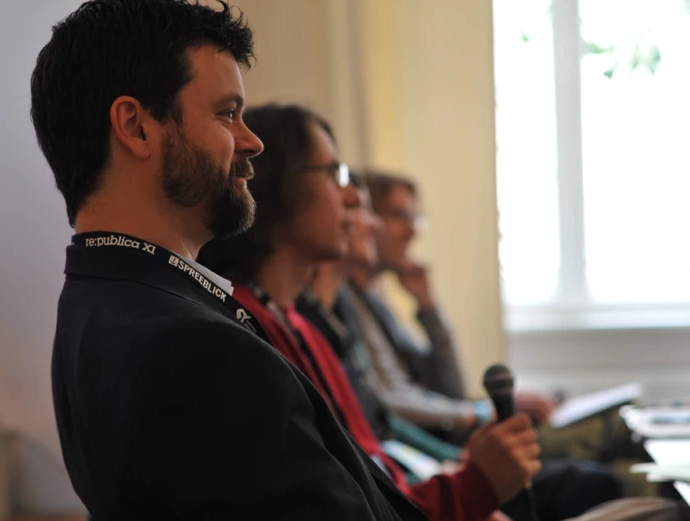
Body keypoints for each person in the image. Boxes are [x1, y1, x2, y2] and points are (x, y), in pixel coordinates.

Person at [32, 2, 437, 519]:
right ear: (135, 127)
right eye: (227, 113)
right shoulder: (197, 350)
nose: (252, 141)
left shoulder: (98, 297)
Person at [198, 103, 544, 521]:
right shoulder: (250, 338)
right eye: (333, 174)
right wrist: (474, 485)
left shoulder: (300, 328)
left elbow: (378, 477)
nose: (352, 199)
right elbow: (357, 508)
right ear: (279, 191)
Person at [298, 176, 624, 521]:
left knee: (604, 454)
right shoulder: (334, 310)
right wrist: (471, 429)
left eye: (414, 217)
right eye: (397, 215)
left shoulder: (372, 301)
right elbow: (387, 412)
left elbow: (442, 385)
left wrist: (428, 306)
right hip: (432, 458)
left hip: (436, 455)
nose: (409, 230)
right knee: (592, 475)